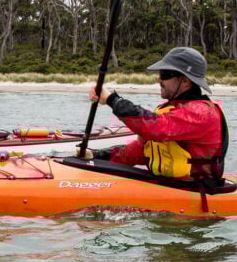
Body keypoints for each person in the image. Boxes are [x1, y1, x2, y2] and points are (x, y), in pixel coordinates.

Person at [83, 47, 228, 181]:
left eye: (165, 74)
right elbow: (142, 151)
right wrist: (98, 156)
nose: (159, 79)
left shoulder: (202, 112)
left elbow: (153, 127)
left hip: (194, 189)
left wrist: (111, 99)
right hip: (168, 184)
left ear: (185, 81)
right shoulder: (171, 109)